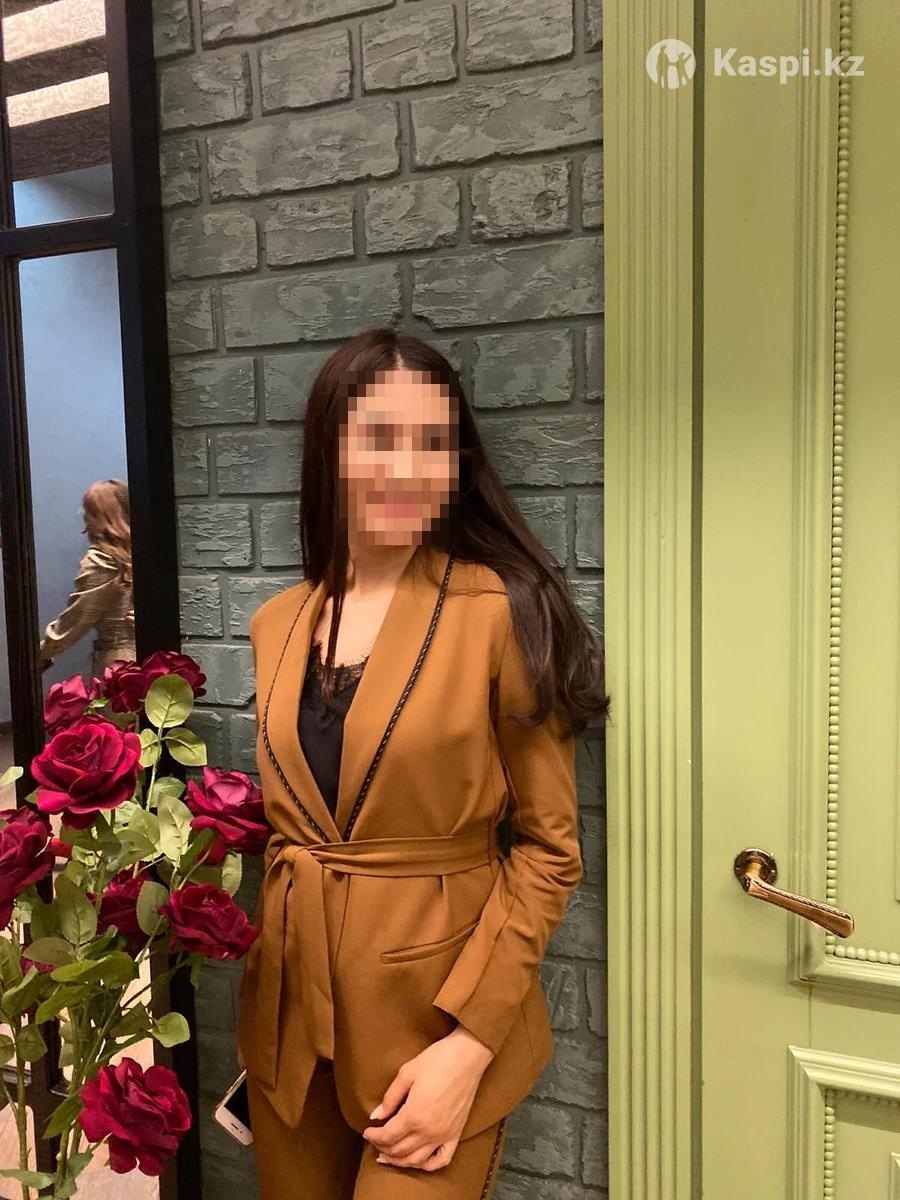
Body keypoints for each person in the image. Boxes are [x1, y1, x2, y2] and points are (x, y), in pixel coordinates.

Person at [236, 327, 609, 1200]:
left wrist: (469, 1047)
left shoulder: (498, 612)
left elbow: (549, 852)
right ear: (329, 451)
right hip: (289, 1029)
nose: (408, 469)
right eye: (380, 438)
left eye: (434, 443)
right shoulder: (276, 623)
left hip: (433, 1029)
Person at [39, 479, 135, 678]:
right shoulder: (145, 551)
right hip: (153, 660)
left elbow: (76, 619)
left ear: (101, 515)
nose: (84, 517)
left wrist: (37, 655)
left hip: (120, 665)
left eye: (89, 511)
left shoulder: (102, 561)